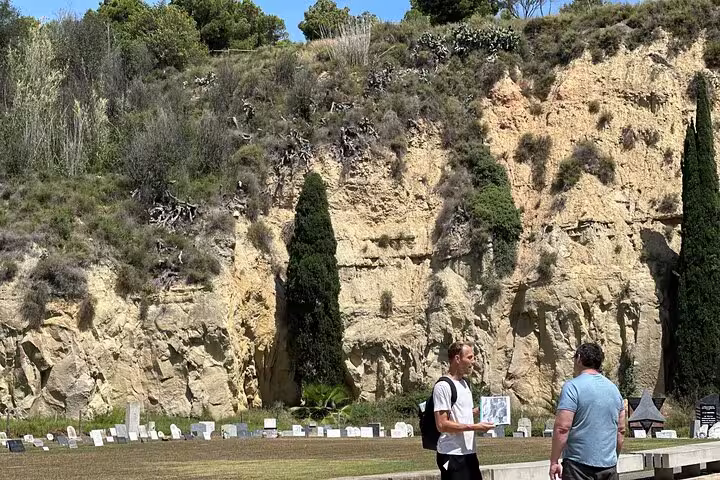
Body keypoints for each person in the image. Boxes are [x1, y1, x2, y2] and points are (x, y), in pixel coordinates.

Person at [549, 343, 626, 480]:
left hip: (578, 467)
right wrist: (613, 458)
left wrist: (554, 461)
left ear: (578, 358)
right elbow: (620, 431)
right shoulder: (614, 390)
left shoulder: (572, 387)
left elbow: (562, 428)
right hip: (608, 467)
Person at [434, 341, 495, 480]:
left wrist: (480, 411)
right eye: (470, 357)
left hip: (469, 453)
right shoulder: (443, 386)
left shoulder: (465, 383)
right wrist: (476, 427)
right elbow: (442, 425)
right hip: (451, 454)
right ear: (457, 359)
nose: (473, 362)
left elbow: (459, 413)